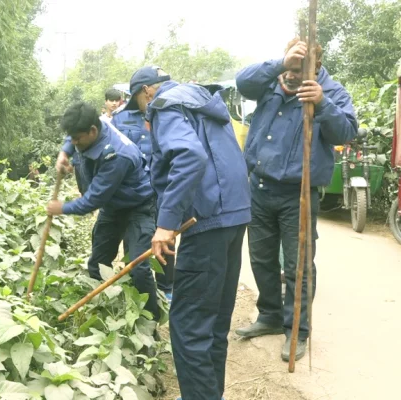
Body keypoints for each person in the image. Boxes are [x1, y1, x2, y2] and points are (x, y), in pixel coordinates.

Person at [126, 66, 251, 400]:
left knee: (187, 326)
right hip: (234, 216)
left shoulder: (165, 105)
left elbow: (189, 156)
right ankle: (209, 394)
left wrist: (165, 224)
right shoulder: (203, 99)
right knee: (213, 323)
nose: (142, 112)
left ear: (148, 91)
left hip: (207, 221)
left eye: (138, 103)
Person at [234, 38, 357, 362]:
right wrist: (281, 63)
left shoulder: (331, 91)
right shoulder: (272, 80)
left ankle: (298, 331)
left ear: (316, 68)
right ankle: (271, 316)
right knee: (261, 258)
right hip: (260, 188)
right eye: (290, 66)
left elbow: (346, 133)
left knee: (298, 266)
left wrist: (322, 104)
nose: (292, 75)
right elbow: (242, 82)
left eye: (300, 69)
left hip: (298, 194)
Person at [49, 102, 160, 321]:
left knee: (137, 265)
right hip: (114, 206)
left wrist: (61, 207)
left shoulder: (117, 155)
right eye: (72, 138)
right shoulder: (93, 127)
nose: (74, 142)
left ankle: (150, 320)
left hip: (139, 206)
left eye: (77, 139)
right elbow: (73, 138)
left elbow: (92, 201)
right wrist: (65, 153)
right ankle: (103, 310)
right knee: (97, 263)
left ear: (92, 131)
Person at [111, 96, 175, 301]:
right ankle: (137, 288)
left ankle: (166, 288)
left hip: (162, 187)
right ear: (143, 90)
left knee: (165, 235)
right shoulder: (120, 119)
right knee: (134, 238)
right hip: (136, 192)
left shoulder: (166, 112)